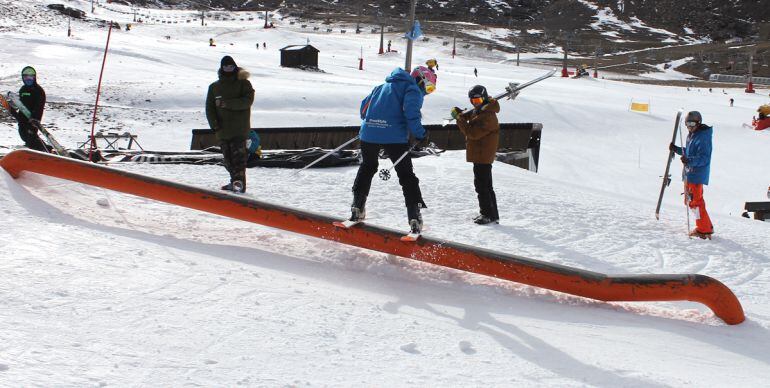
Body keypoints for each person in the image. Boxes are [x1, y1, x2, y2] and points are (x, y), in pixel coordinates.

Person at [349, 65, 437, 234]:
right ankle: (414, 216)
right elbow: (411, 113)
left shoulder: (381, 87)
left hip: (369, 134)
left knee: (367, 168)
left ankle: (357, 207)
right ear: (420, 79)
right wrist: (421, 134)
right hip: (394, 136)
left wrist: (375, 121)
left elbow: (363, 109)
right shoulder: (412, 89)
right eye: (428, 87)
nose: (427, 92)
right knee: (406, 175)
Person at [450, 85, 506, 225]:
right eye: (473, 101)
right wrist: (461, 114)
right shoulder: (482, 110)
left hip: (483, 155)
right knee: (486, 185)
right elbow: (472, 115)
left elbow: (472, 133)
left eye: (478, 100)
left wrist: (459, 120)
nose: (476, 103)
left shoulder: (488, 116)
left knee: (481, 186)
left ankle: (486, 214)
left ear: (485, 98)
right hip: (481, 154)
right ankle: (492, 214)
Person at [205, 56, 255, 193]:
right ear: (221, 68)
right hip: (222, 130)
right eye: (226, 67)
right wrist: (214, 125)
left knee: (239, 160)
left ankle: (239, 185)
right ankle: (234, 182)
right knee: (228, 161)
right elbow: (209, 108)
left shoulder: (244, 84)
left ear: (235, 67)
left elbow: (247, 101)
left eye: (231, 67)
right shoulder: (214, 87)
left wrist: (227, 104)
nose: (228, 69)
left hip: (239, 130)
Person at [669, 111, 714, 239]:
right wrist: (676, 149)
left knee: (696, 202)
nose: (689, 126)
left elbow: (704, 158)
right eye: (687, 123)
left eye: (692, 123)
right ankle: (706, 226)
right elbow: (688, 152)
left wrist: (690, 160)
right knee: (690, 201)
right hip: (690, 173)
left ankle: (703, 230)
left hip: (696, 174)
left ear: (698, 122)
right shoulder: (693, 134)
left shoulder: (703, 137)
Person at [15, 66, 49, 152]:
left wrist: (35, 119)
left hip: (33, 119)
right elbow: (21, 104)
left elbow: (39, 106)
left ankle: (46, 151)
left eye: (30, 77)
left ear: (34, 77)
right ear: (23, 78)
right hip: (23, 119)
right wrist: (18, 116)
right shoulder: (22, 89)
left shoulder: (38, 91)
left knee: (31, 138)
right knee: (23, 136)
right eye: (26, 77)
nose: (28, 79)